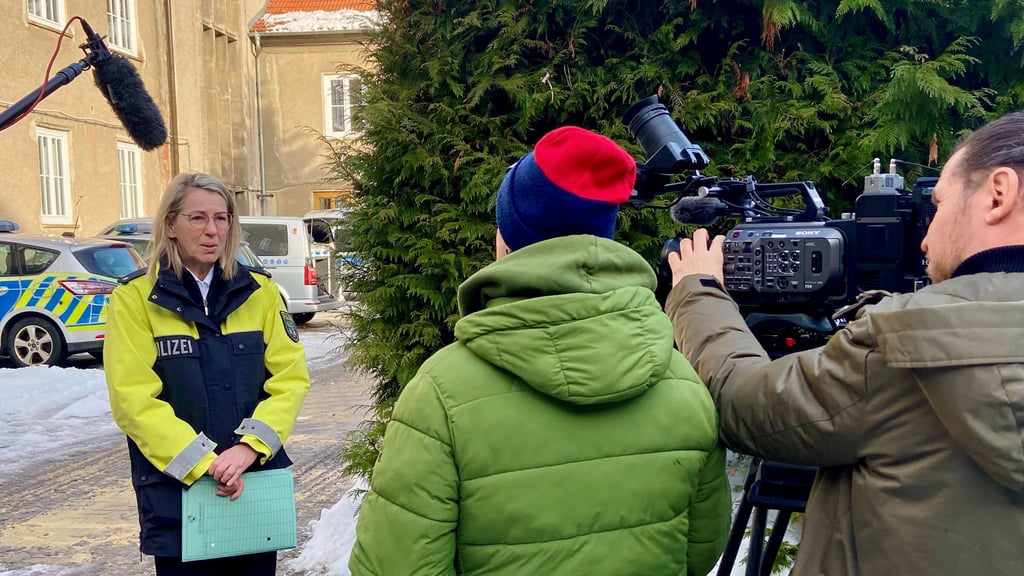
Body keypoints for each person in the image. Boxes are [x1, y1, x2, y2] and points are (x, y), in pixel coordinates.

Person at [350, 126, 731, 576]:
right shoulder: (682, 380)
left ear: (507, 243)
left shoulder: (440, 393)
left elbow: (396, 564)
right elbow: (701, 548)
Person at [665, 110, 1024, 575]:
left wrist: (699, 291)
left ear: (998, 195)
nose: (925, 240)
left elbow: (745, 406)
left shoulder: (905, 344)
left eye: (936, 208)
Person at [104, 172, 311, 575]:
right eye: (197, 218)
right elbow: (133, 399)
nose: (212, 230)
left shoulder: (260, 292)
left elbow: (290, 379)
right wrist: (208, 463)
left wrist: (249, 448)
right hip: (177, 489)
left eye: (222, 218)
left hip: (251, 483)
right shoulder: (136, 299)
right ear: (170, 225)